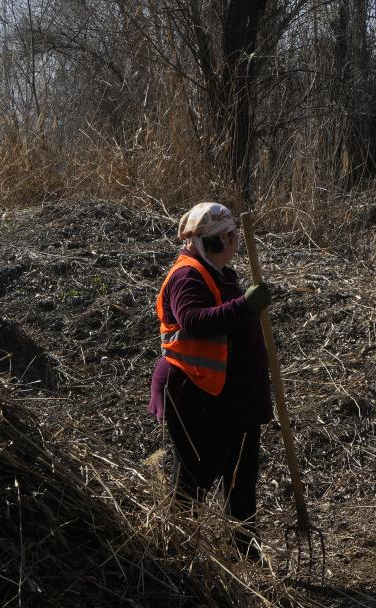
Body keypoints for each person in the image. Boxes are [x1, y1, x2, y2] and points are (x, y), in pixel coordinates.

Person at [148, 202, 274, 559]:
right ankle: (178, 555)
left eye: (235, 233)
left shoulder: (220, 273)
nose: (235, 241)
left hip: (235, 400)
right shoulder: (186, 276)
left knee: (241, 483)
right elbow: (194, 320)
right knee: (194, 481)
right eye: (228, 236)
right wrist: (244, 306)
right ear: (213, 243)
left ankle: (244, 552)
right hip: (199, 397)